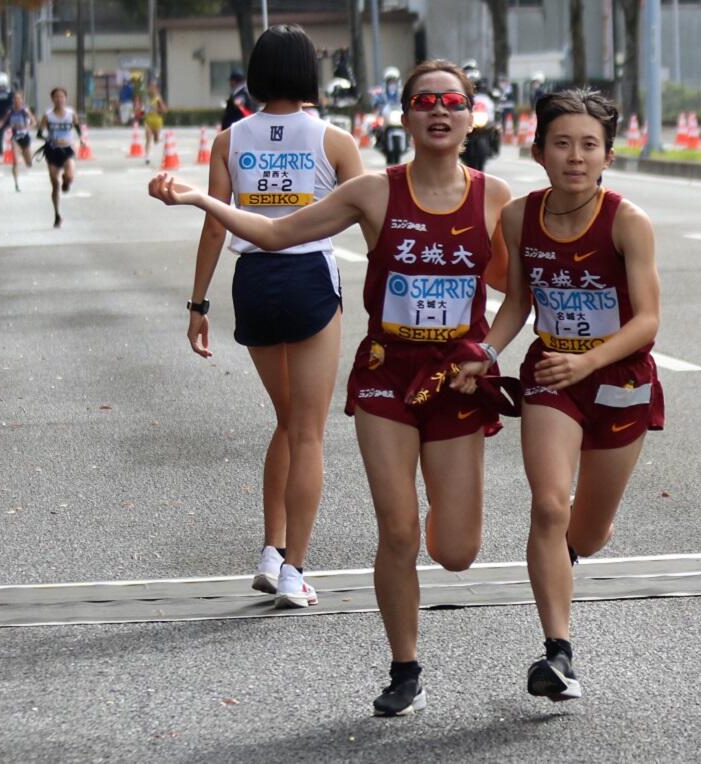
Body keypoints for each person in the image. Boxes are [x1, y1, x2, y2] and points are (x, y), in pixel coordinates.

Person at [150, 58, 512, 716]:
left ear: (470, 118)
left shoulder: (494, 198)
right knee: (396, 531)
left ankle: (445, 509)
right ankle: (405, 670)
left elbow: (520, 288)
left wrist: (489, 350)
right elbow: (278, 232)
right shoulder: (374, 192)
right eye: (424, 101)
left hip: (457, 382)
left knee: (456, 550)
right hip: (387, 377)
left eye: (452, 101)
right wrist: (203, 200)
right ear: (402, 118)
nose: (439, 110)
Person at [454, 88, 663, 702]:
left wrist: (590, 361)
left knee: (588, 532)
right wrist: (486, 355)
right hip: (551, 379)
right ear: (538, 151)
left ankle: (564, 560)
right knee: (548, 506)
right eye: (563, 144)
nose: (576, 156)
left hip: (620, 380)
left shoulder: (628, 222)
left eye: (589, 146)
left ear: (608, 157)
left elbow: (648, 320)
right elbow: (517, 301)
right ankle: (559, 655)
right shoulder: (519, 217)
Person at [151, 25, 363, 611]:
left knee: (288, 419)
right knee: (309, 430)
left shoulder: (230, 139)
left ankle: (271, 552)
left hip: (255, 281)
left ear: (256, 72)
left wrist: (197, 305)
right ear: (309, 74)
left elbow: (216, 223)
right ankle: (295, 566)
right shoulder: (335, 141)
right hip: (310, 279)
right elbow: (371, 215)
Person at [36, 87, 81, 228]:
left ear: (65, 99)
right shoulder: (48, 115)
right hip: (52, 150)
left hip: (67, 149)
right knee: (54, 184)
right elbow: (39, 133)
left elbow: (78, 129)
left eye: (62, 97)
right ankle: (57, 214)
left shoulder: (71, 114)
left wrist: (81, 139)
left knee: (69, 175)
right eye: (56, 97)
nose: (59, 99)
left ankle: (66, 182)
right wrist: (50, 139)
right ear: (52, 99)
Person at [0, 91, 37, 192]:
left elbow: (34, 122)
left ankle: (25, 155)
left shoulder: (25, 111)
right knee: (15, 161)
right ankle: (16, 184)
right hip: (15, 138)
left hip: (25, 137)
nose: (17, 101)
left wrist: (27, 127)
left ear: (22, 101)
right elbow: (3, 120)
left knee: (29, 163)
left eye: (19, 99)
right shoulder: (11, 111)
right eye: (15, 99)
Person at [143, 82, 168, 165]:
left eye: (153, 88)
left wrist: (158, 109)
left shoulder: (158, 99)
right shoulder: (146, 99)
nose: (151, 90)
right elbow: (143, 109)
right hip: (148, 121)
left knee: (156, 140)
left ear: (156, 89)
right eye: (150, 88)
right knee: (148, 138)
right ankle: (147, 157)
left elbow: (164, 110)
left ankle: (159, 139)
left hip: (157, 122)